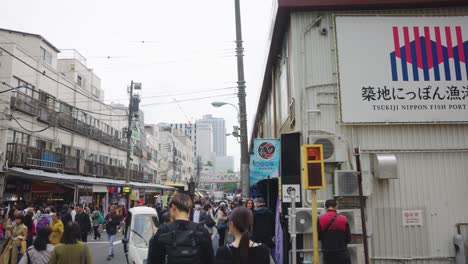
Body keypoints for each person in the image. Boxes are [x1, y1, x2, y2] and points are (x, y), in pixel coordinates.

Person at [147, 193, 214, 264]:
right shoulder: (202, 231)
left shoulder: (163, 231)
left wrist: (153, 240)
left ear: (173, 207)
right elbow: (210, 260)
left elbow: (154, 260)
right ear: (189, 210)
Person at [318, 199, 351, 264]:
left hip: (328, 253)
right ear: (336, 207)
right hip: (342, 252)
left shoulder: (320, 219)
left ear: (325, 208)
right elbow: (348, 239)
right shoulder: (344, 218)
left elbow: (319, 237)